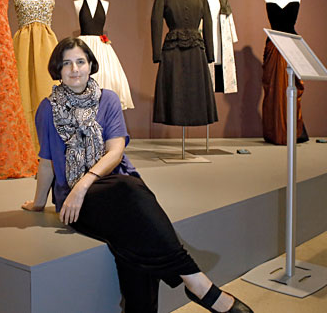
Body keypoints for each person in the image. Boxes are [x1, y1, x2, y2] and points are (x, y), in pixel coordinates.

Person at [22, 37, 252, 313]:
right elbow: (47, 162)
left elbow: (115, 151)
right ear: (57, 69)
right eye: (66, 63)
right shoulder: (48, 108)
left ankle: (175, 293)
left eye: (80, 61)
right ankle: (197, 282)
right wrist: (39, 203)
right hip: (76, 199)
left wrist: (85, 183)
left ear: (91, 65)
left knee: (132, 237)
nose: (74, 69)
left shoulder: (107, 99)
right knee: (131, 196)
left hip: (106, 185)